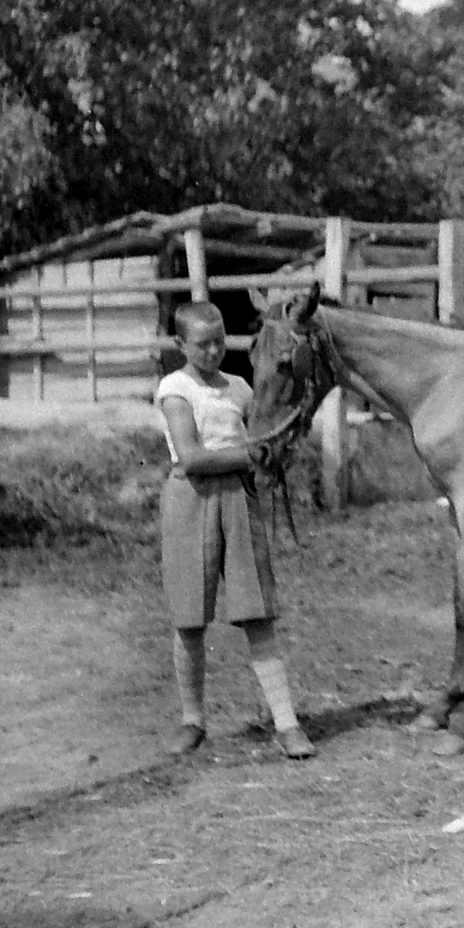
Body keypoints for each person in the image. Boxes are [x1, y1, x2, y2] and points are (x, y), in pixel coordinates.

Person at [156, 301, 315, 758]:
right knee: (189, 618)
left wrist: (279, 449)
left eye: (220, 341)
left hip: (240, 501)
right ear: (180, 345)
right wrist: (255, 455)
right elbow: (192, 457)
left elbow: (269, 436)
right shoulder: (176, 389)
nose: (213, 351)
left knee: (257, 611)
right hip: (190, 500)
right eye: (202, 344)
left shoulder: (242, 389)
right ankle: (193, 720)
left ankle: (286, 724)